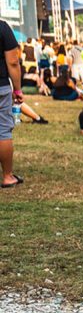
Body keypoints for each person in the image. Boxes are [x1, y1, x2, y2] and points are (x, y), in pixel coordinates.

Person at [0, 20, 23, 188]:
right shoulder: (2, 27)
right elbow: (13, 62)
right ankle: (7, 176)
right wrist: (18, 90)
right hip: (0, 86)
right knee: (3, 131)